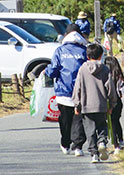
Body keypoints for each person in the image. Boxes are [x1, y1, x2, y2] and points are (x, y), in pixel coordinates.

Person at [44, 24, 88, 157]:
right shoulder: (84, 50)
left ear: (65, 35)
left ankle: (65, 143)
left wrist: (46, 70)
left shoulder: (59, 51)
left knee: (64, 119)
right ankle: (78, 146)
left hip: (63, 91)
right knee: (79, 119)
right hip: (81, 92)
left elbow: (52, 71)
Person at [72, 44, 119, 163]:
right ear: (101, 55)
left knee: (90, 131)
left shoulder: (82, 69)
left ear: (87, 56)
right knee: (102, 126)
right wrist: (112, 104)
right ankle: (102, 142)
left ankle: (94, 154)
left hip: (86, 106)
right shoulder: (104, 69)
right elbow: (110, 88)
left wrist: (76, 104)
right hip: (101, 105)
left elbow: (77, 87)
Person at [104, 56, 124, 155]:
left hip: (108, 103)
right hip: (118, 103)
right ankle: (120, 141)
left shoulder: (104, 77)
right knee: (116, 122)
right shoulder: (119, 78)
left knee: (111, 123)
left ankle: (115, 145)